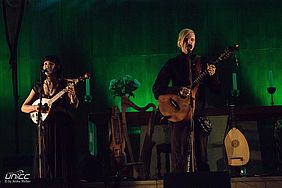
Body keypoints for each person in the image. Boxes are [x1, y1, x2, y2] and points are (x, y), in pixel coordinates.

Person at [152, 28, 221, 173]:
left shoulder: (202, 62)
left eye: (192, 39)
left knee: (202, 158)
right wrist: (177, 90)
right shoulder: (172, 64)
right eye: (186, 39)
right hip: (179, 117)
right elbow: (157, 89)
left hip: (198, 115)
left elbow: (216, 89)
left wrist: (213, 75)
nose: (189, 42)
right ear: (179, 42)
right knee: (179, 159)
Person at [21, 55, 79, 186]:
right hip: (45, 127)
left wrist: (73, 95)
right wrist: (36, 107)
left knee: (63, 157)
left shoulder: (65, 83)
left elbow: (74, 105)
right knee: (46, 157)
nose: (47, 66)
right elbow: (23, 107)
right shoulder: (39, 87)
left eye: (51, 64)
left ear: (56, 67)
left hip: (62, 126)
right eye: (45, 64)